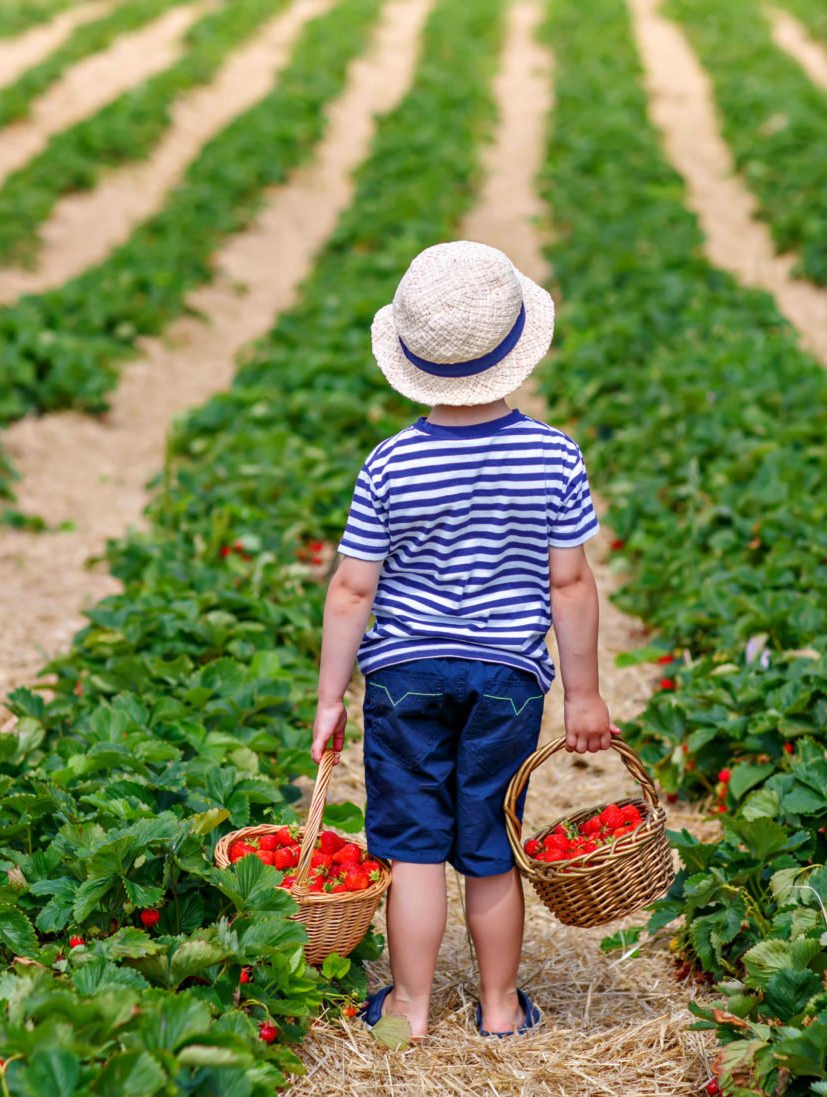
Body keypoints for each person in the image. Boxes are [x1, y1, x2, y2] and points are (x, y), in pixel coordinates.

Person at [310, 241, 619, 1040]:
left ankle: (410, 1007)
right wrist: (583, 694)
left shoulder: (390, 463)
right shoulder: (554, 455)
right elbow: (570, 585)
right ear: (516, 355)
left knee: (413, 846)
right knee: (488, 843)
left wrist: (328, 698)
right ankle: (500, 1006)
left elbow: (351, 589)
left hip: (404, 674)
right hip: (505, 679)